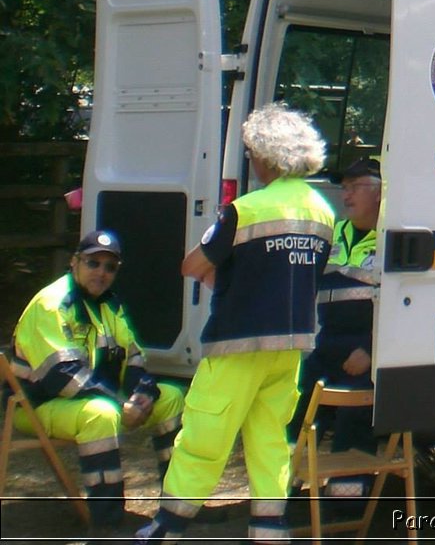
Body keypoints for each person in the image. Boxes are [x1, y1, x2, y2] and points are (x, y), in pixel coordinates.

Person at [136, 104, 335, 543]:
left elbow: (192, 264)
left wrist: (219, 272)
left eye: (250, 153)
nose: (250, 161)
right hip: (291, 346)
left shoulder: (244, 210)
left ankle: (166, 529)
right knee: (269, 440)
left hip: (237, 342)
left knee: (205, 434)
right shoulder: (323, 212)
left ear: (266, 154)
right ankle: (270, 530)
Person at [11, 229, 186, 532]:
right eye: (93, 263)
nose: (101, 272)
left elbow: (134, 360)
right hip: (39, 404)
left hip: (96, 399)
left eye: (110, 267)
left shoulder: (109, 305)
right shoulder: (51, 304)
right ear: (74, 262)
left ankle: (177, 507)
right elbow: (63, 377)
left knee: (170, 396)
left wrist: (141, 396)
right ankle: (107, 524)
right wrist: (122, 404)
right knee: (101, 415)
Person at [288, 156, 381, 472]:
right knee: (289, 418)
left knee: (352, 429)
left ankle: (345, 510)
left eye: (356, 186)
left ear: (382, 192)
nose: (346, 195)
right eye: (344, 187)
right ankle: (280, 498)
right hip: (324, 348)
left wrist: (372, 350)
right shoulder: (329, 234)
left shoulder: (393, 239)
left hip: (364, 356)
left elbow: (409, 307)